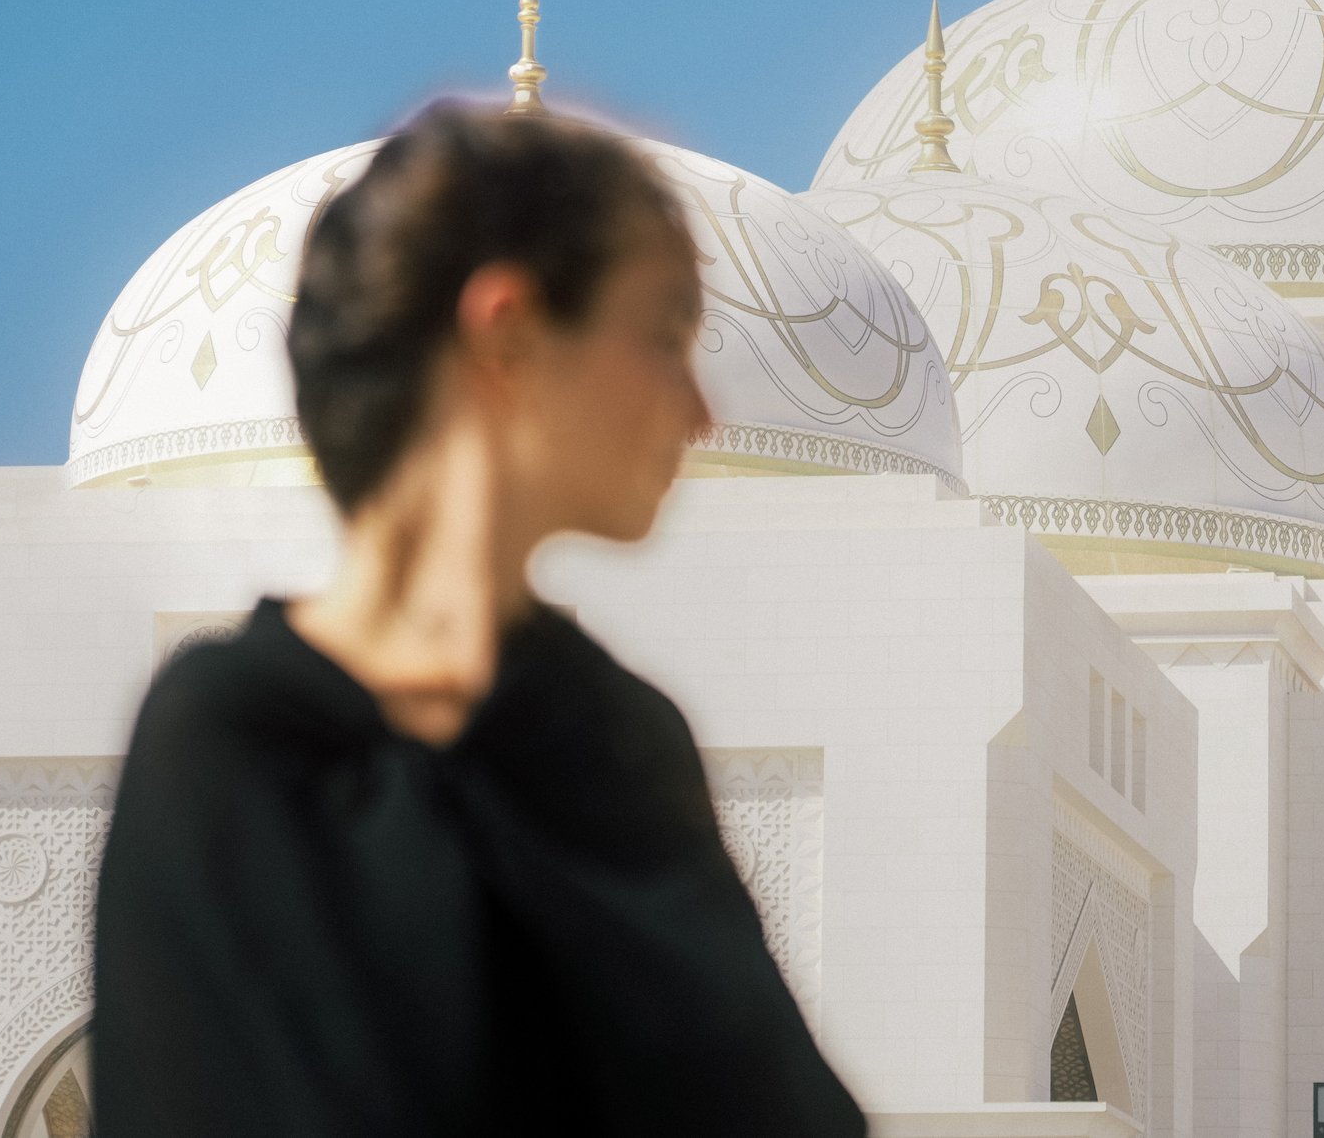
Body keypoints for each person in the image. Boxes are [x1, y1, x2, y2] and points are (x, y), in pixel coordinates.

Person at [92, 103, 865, 1138]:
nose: (700, 409)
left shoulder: (617, 738)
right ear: (508, 332)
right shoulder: (238, 741)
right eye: (664, 334)